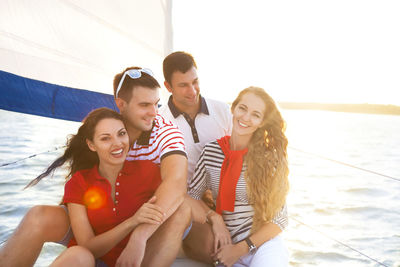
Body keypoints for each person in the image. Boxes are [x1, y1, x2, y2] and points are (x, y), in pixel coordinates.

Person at [0, 67, 190, 267]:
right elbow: (85, 230)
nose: (154, 112)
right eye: (144, 105)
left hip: (144, 222)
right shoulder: (104, 124)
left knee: (181, 208)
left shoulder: (164, 134)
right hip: (101, 219)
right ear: (121, 104)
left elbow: (176, 184)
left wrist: (139, 235)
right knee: (40, 218)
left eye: (156, 104)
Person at [43, 107, 165, 267]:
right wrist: (132, 222)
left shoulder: (148, 170)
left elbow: (180, 199)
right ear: (92, 145)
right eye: (106, 138)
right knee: (78, 254)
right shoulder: (79, 182)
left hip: (136, 261)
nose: (117, 144)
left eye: (121, 134)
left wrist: (209, 213)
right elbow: (87, 246)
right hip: (91, 262)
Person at [188, 86, 290, 267]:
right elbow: (192, 196)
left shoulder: (268, 159)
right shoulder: (211, 151)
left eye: (255, 115)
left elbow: (280, 220)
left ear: (262, 122)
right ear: (233, 108)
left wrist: (242, 248)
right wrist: (215, 218)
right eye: (242, 108)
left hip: (263, 245)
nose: (246, 118)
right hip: (225, 247)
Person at [159, 51, 232, 262]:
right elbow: (168, 186)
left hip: (226, 198)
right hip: (188, 204)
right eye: (183, 85)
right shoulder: (160, 124)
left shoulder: (223, 111)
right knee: (216, 250)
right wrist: (212, 216)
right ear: (168, 87)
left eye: (195, 81)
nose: (192, 91)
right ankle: (184, 239)